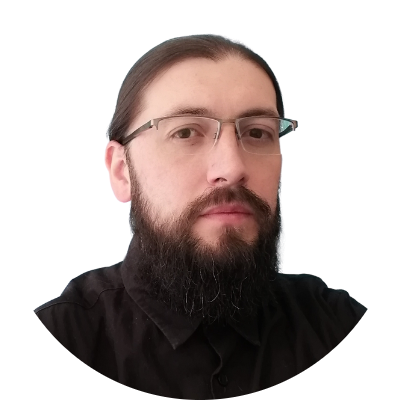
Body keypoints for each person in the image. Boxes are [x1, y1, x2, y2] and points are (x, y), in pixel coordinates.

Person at [34, 34, 367, 398]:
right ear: (121, 171)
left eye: (258, 132)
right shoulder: (66, 336)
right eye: (186, 132)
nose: (232, 168)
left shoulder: (338, 325)